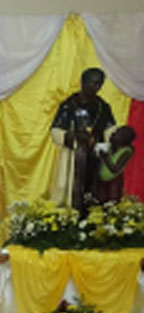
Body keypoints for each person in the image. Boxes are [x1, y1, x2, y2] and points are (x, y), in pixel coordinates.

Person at [50, 67, 117, 212]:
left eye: (99, 84)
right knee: (72, 193)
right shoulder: (68, 106)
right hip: (74, 156)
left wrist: (110, 143)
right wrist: (73, 136)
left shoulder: (103, 107)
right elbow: (56, 131)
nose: (96, 87)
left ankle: (92, 218)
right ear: (82, 82)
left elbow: (110, 130)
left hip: (96, 156)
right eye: (92, 83)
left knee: (94, 194)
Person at [94, 125, 135, 204]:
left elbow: (115, 169)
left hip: (114, 181)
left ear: (124, 138)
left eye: (117, 133)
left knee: (112, 201)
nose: (113, 134)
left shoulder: (126, 152)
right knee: (100, 201)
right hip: (102, 181)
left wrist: (105, 157)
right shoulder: (111, 147)